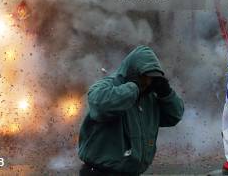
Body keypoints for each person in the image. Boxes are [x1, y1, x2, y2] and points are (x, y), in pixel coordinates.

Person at [78, 45, 184, 175]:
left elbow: (175, 115)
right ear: (133, 72)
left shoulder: (150, 97)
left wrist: (166, 93)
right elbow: (99, 105)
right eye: (144, 75)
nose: (148, 81)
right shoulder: (109, 85)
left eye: (151, 77)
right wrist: (133, 88)